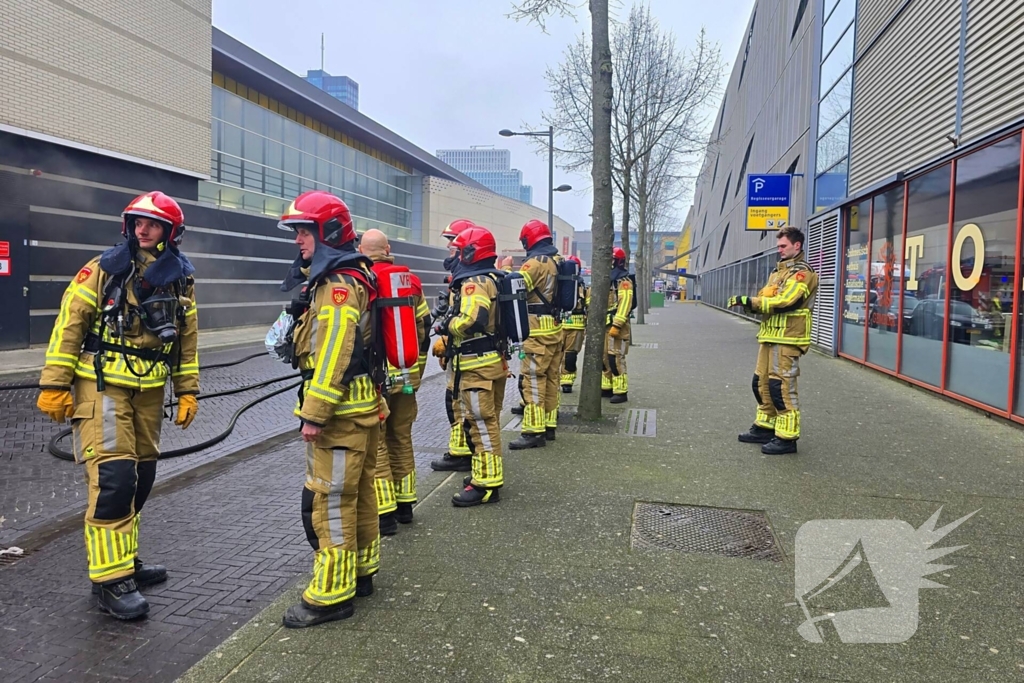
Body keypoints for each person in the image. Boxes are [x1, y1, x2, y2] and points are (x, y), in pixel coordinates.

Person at [37, 191, 199, 620]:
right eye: (137, 222)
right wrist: (55, 383)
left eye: (152, 224)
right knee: (114, 479)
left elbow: (186, 341)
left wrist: (188, 390)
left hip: (149, 392)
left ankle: (125, 560)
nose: (142, 230)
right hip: (102, 386)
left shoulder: (181, 280)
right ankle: (110, 581)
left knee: (141, 478)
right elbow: (70, 323)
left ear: (170, 232)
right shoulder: (104, 269)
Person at [278, 191, 383, 627]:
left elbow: (336, 350)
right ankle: (361, 571)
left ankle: (332, 595)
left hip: (340, 416)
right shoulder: (353, 275)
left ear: (329, 233)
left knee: (331, 501)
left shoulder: (337, 285)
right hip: (361, 406)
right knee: (359, 494)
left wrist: (315, 412)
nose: (298, 240)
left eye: (305, 231)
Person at [358, 229, 431, 534]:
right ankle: (405, 505)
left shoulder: (361, 280)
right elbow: (424, 327)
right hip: (406, 372)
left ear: (361, 250)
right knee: (401, 436)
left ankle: (384, 513)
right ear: (387, 249)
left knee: (377, 442)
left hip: (377, 376)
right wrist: (415, 372)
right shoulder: (410, 280)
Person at [728, 226, 819, 455]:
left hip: (789, 337)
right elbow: (766, 299)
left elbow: (787, 301)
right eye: (778, 245)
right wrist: (750, 303)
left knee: (781, 387)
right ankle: (765, 427)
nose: (779, 249)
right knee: (760, 383)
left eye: (783, 245)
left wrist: (750, 301)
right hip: (770, 335)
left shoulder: (803, 273)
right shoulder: (777, 273)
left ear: (797, 245)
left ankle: (787, 438)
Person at [435, 226, 506, 506]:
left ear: (470, 252)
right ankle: (483, 474)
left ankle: (486, 485)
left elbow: (474, 319)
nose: (455, 254)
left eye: (459, 250)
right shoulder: (493, 278)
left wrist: (447, 325)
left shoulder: (473, 283)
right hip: (491, 363)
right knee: (487, 423)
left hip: (477, 368)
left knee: (481, 426)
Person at [508, 220, 565, 449]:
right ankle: (549, 426)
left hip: (536, 331)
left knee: (532, 380)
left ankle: (533, 432)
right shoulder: (557, 261)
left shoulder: (534, 264)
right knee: (551, 379)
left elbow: (516, 289)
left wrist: (506, 271)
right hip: (555, 329)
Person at [430, 219, 477, 473]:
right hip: (459, 352)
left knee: (458, 401)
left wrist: (446, 337)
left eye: (452, 242)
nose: (449, 247)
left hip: (466, 354)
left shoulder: (467, 279)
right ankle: (459, 451)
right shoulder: (460, 275)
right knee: (455, 400)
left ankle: (463, 454)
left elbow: (465, 318)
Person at [603, 247, 633, 404]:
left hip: (617, 328)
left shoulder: (624, 281)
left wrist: (617, 324)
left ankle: (621, 391)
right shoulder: (608, 280)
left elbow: (625, 304)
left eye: (612, 260)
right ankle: (607, 387)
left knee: (615, 358)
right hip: (605, 326)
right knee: (604, 359)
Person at [559, 255, 587, 393]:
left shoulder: (560, 283)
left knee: (561, 355)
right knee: (569, 355)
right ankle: (566, 382)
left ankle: (564, 381)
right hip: (575, 326)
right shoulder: (581, 285)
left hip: (562, 325)